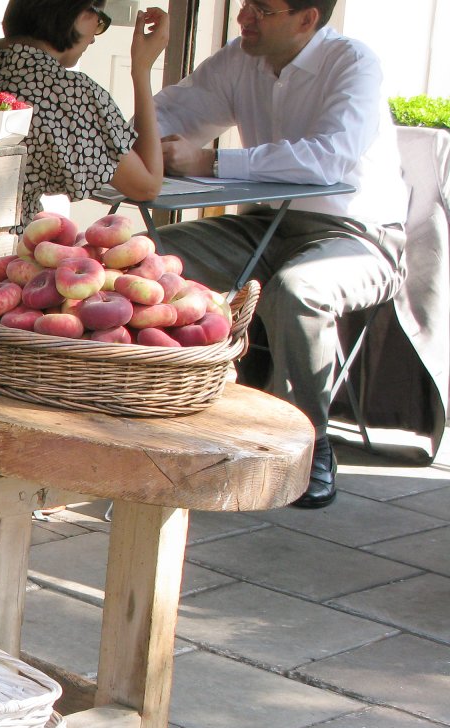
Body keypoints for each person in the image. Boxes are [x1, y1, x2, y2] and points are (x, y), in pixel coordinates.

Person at [150, 0, 407, 509]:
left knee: (298, 291)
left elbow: (330, 155)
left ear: (307, 19)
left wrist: (211, 160)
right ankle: (152, 418)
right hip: (268, 226)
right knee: (154, 255)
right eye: (245, 4)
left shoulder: (352, 62)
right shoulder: (239, 58)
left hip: (358, 235)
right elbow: (173, 114)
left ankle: (310, 447)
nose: (245, 16)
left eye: (262, 10)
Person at [0, 0, 169, 230]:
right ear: (76, 12)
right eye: (99, 23)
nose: (94, 38)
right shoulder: (68, 94)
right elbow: (147, 185)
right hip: (2, 247)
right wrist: (142, 70)